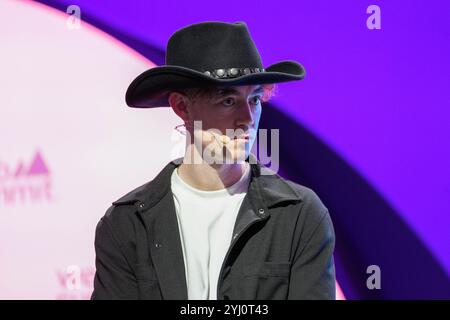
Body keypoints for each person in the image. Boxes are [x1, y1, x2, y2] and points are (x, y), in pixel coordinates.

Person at [91, 21, 335, 300]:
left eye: (254, 100)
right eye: (228, 100)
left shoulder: (299, 215)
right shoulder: (127, 224)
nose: (247, 118)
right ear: (182, 107)